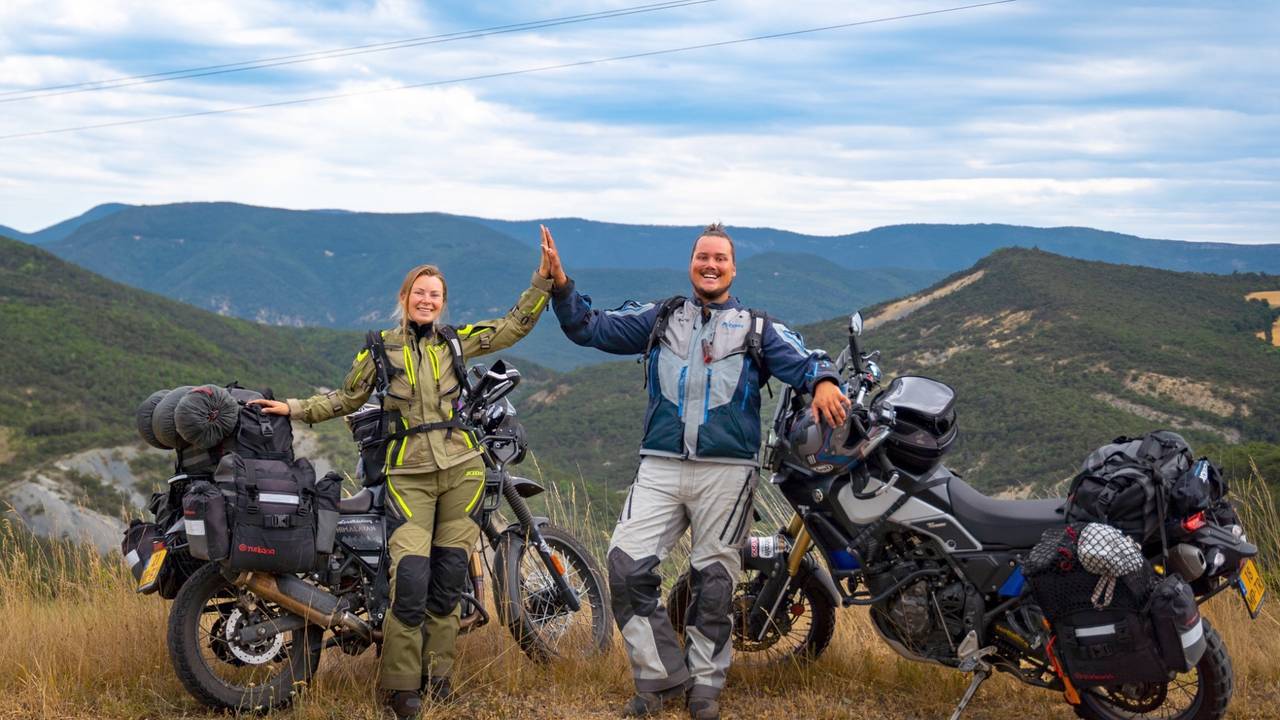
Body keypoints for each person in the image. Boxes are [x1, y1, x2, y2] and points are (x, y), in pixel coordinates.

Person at [541, 222, 849, 720]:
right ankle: (661, 677)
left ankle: (705, 687)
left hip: (728, 473)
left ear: (733, 269)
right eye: (703, 257)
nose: (711, 265)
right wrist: (560, 286)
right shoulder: (662, 317)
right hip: (660, 466)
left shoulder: (757, 328)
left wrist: (825, 381)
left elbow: (806, 358)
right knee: (625, 567)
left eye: (720, 258)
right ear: (691, 264)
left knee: (715, 582)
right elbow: (590, 327)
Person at [251, 242, 557, 720]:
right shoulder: (379, 348)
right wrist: (292, 408)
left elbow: (511, 327)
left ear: (443, 302)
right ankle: (400, 687)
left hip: (462, 472)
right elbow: (345, 398)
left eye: (435, 294)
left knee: (448, 579)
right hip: (408, 477)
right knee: (410, 580)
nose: (426, 300)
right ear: (404, 297)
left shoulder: (455, 341)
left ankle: (438, 679)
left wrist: (543, 282)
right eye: (420, 292)